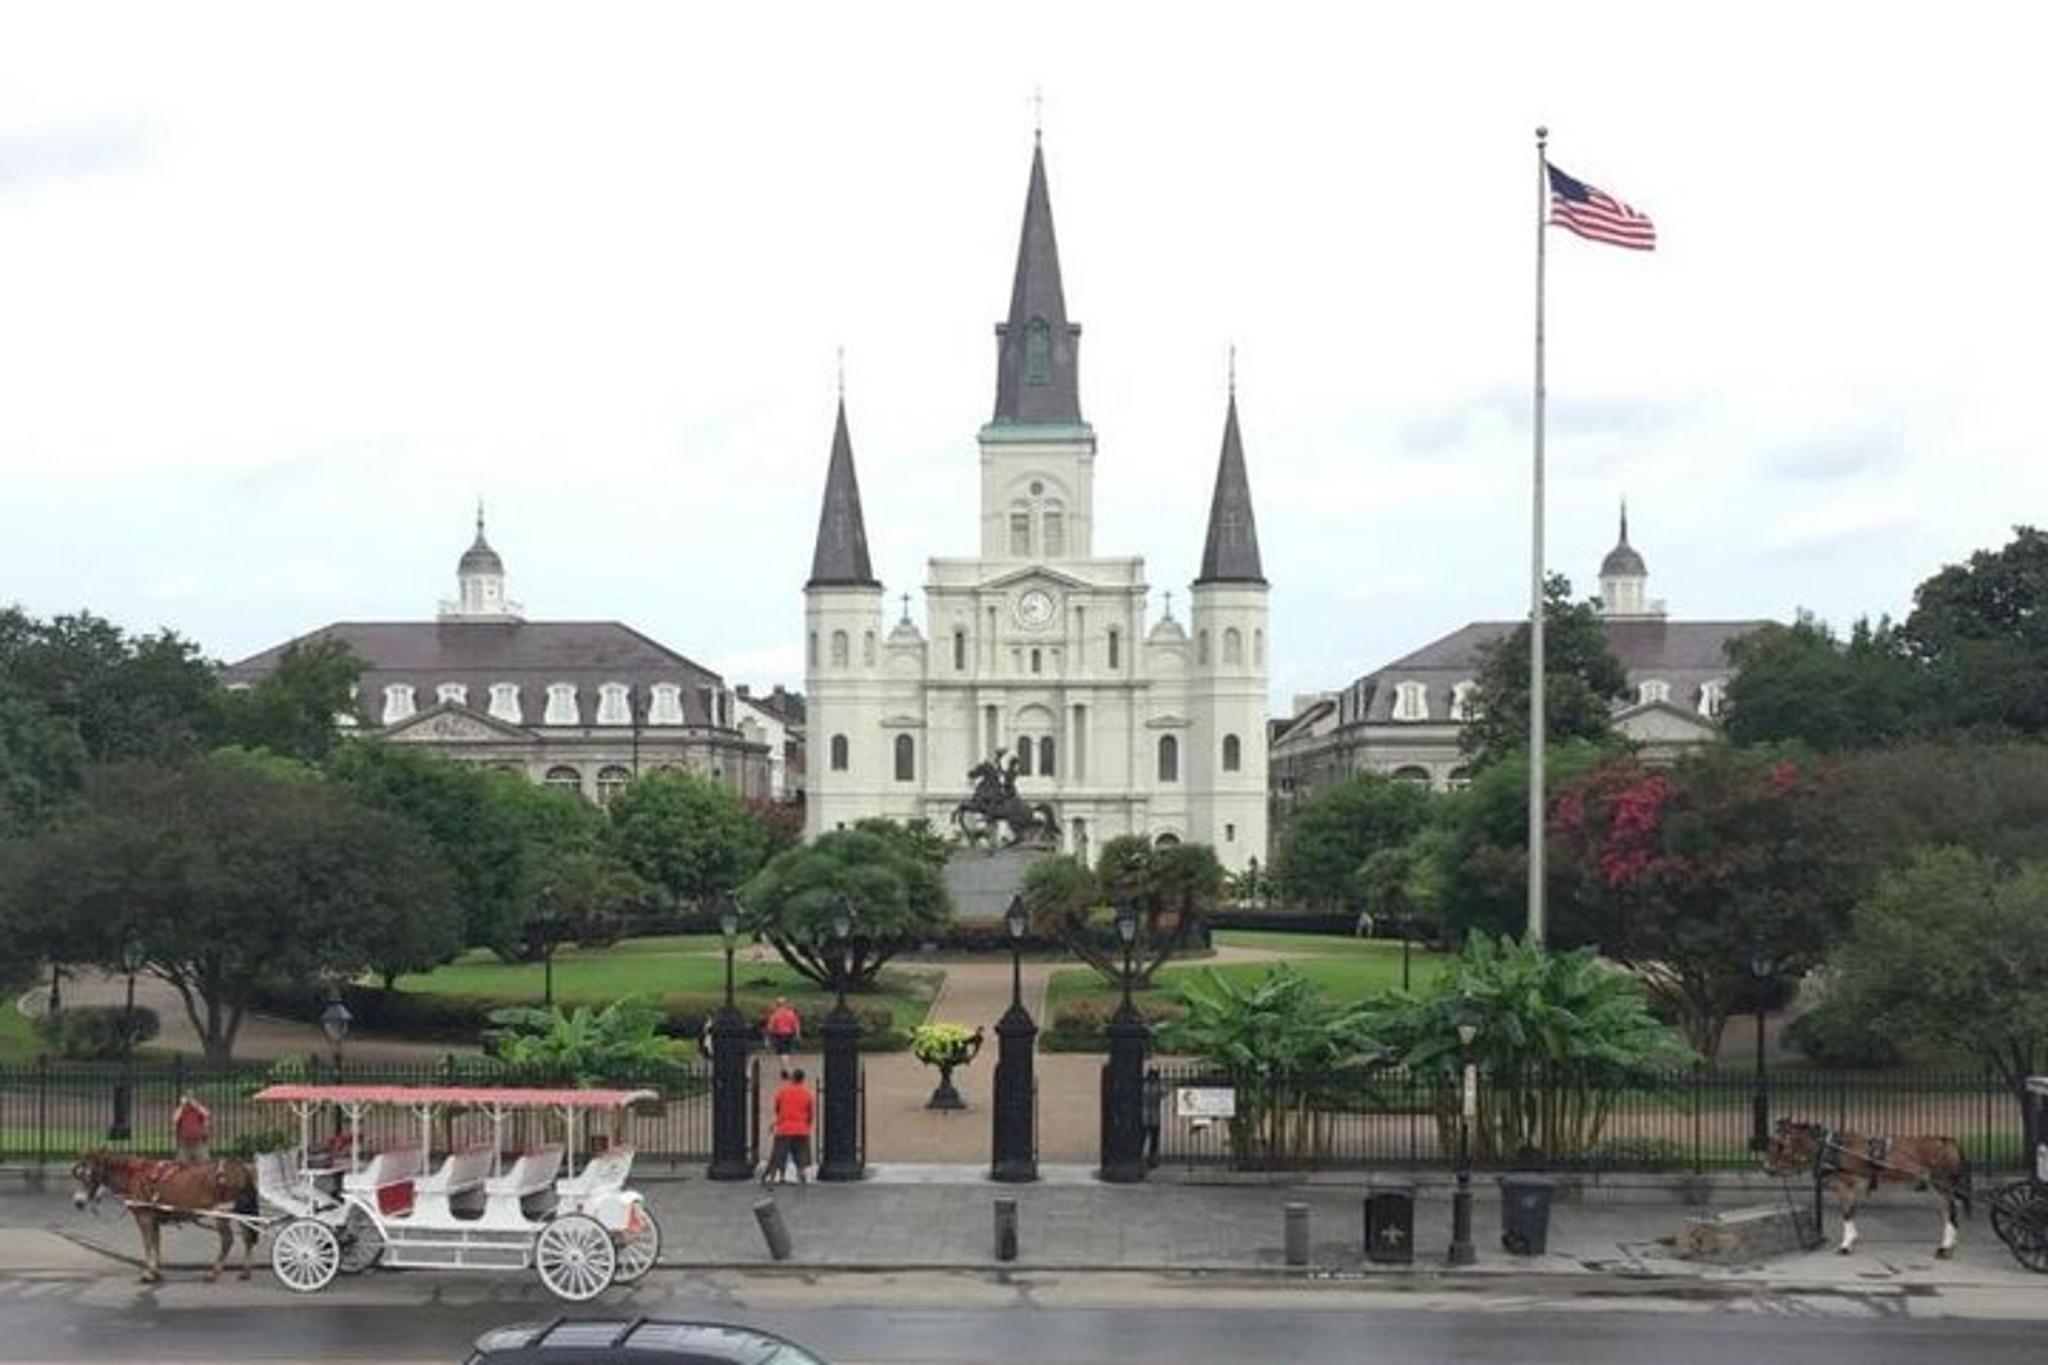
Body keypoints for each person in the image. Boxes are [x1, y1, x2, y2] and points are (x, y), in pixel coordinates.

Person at [762, 1068, 815, 1187]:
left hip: (784, 1128)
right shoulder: (807, 1094)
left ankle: (769, 1178)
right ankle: (802, 1179)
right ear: (803, 1079)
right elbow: (810, 1113)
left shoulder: (783, 1092)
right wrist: (807, 1125)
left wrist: (776, 1123)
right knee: (801, 1157)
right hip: (801, 1129)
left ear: (792, 1078)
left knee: (777, 1156)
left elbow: (778, 1109)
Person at [763, 997, 801, 1075]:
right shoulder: (791, 1013)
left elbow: (770, 1026)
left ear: (777, 1004)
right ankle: (784, 1069)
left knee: (782, 1053)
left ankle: (786, 1069)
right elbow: (796, 1024)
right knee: (787, 1052)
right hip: (790, 1034)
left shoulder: (775, 1014)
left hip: (779, 1034)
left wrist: (768, 1037)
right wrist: (797, 1034)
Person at [172, 1091, 212, 1162]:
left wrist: (196, 1106)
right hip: (185, 1143)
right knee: (182, 1164)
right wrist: (182, 1106)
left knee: (204, 1164)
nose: (188, 1104)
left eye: (190, 1099)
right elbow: (175, 1118)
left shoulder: (198, 1110)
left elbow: (207, 1114)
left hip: (198, 1143)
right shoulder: (182, 1111)